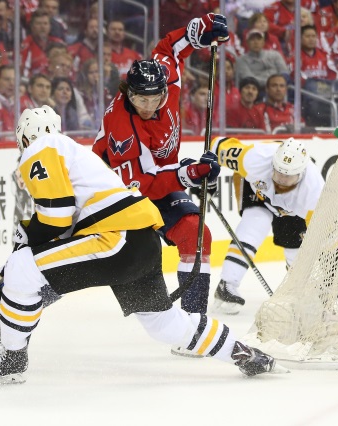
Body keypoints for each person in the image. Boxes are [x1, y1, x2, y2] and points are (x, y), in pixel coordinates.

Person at [0, 106, 280, 385]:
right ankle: (242, 352)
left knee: (22, 268)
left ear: (25, 138)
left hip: (116, 239)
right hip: (139, 243)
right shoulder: (74, 157)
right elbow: (60, 235)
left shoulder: (42, 148)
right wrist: (8, 275)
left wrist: (12, 273)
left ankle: (12, 357)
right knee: (164, 325)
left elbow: (54, 220)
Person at [91, 13, 229, 356]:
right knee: (92, 260)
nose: (150, 105)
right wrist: (189, 173)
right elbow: (145, 185)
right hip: (115, 195)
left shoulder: (166, 84)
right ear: (128, 93)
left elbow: (170, 47)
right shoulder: (121, 126)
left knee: (197, 235)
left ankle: (193, 324)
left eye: (155, 98)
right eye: (141, 100)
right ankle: (27, 300)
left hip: (157, 182)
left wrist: (200, 29)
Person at [210, 137, 324, 314]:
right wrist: (205, 174)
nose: (281, 181)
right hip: (256, 189)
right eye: (279, 173)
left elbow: (320, 236)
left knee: (296, 246)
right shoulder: (254, 159)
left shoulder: (313, 193)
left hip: (291, 208)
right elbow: (217, 146)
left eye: (288, 176)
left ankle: (297, 291)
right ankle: (227, 284)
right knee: (255, 223)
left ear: (300, 174)